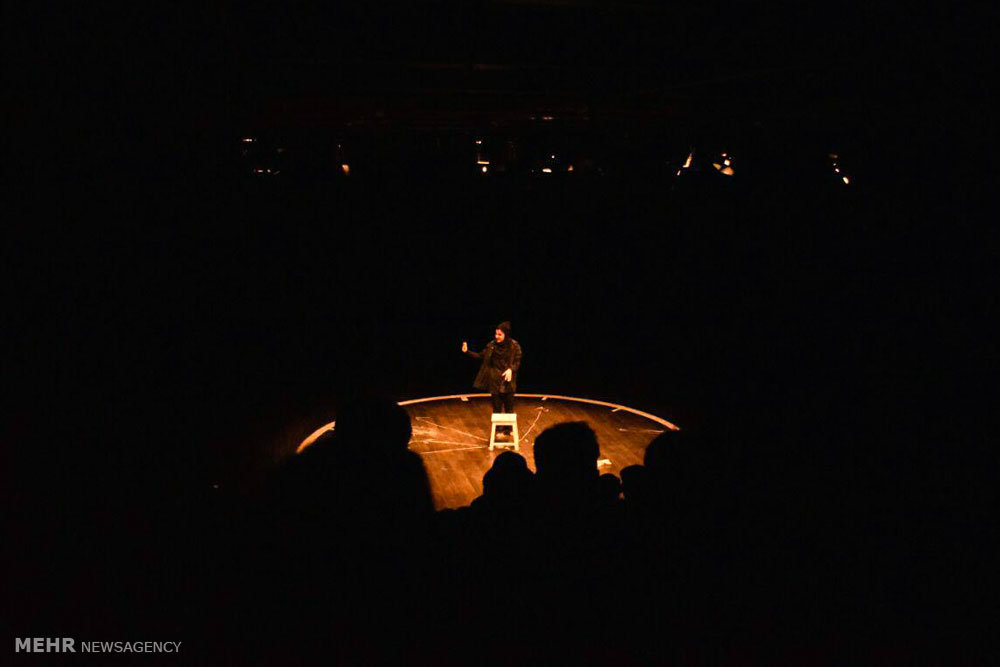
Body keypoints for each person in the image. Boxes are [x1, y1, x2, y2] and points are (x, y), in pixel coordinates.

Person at [462, 321, 522, 440]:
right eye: (496, 334)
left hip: (508, 381)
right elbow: (480, 356)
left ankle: (508, 429)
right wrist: (467, 351)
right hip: (495, 380)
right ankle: (498, 430)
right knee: (497, 407)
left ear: (506, 335)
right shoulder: (492, 346)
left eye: (499, 334)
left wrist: (511, 369)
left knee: (509, 407)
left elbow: (517, 361)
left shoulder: (514, 346)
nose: (496, 336)